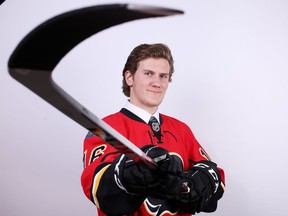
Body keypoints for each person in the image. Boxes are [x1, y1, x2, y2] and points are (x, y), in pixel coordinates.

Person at [81, 43, 225, 216]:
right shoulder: (104, 129)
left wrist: (202, 181)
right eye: (148, 73)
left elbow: (215, 175)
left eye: (163, 76)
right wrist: (129, 174)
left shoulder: (181, 129)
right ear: (129, 77)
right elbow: (96, 186)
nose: (157, 82)